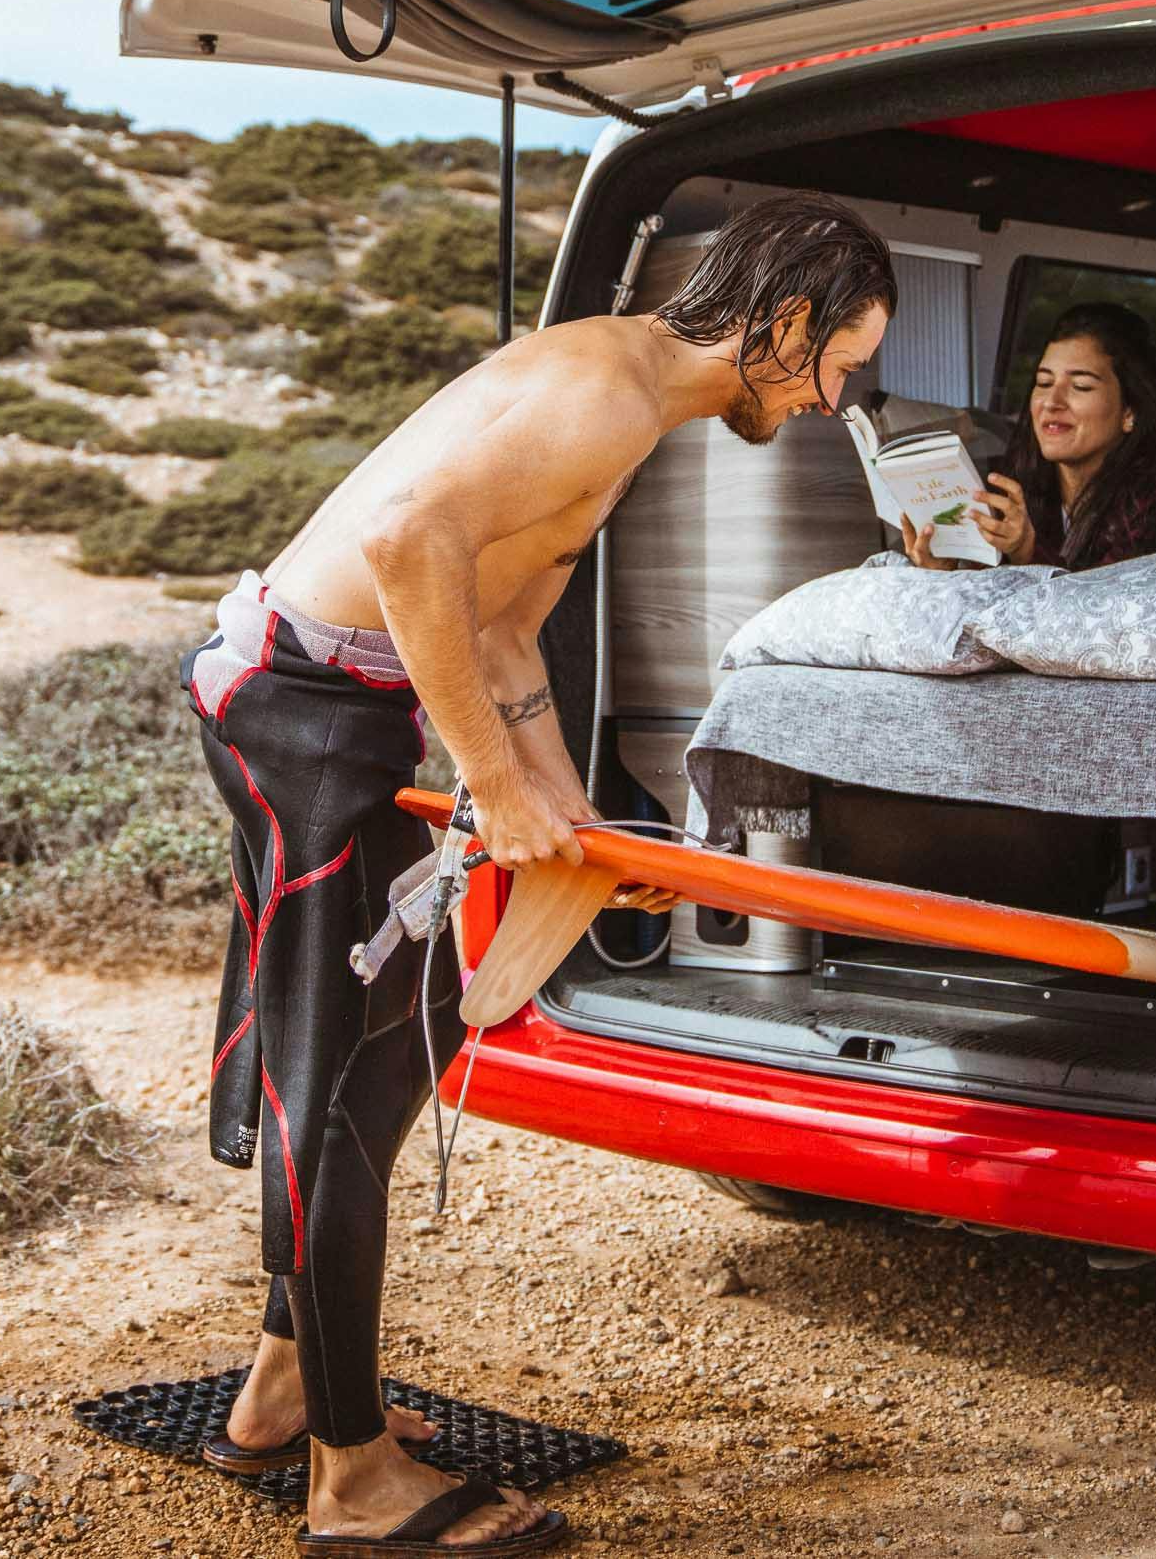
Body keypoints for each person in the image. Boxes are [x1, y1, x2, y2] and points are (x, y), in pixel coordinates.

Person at [177, 191, 896, 1554]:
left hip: (347, 704)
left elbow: (503, 632)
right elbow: (403, 548)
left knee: (412, 1039)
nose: (831, 399)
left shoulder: (628, 390)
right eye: (840, 364)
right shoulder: (602, 396)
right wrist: (494, 790)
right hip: (302, 710)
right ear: (785, 325)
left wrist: (577, 822)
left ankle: (287, 1382)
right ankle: (348, 1482)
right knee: (334, 1082)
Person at [900, 300, 1156, 572]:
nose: (1052, 402)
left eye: (1080, 387)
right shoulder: (1019, 479)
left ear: (1129, 412)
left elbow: (1116, 616)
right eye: (1043, 382)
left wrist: (1027, 553)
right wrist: (947, 568)